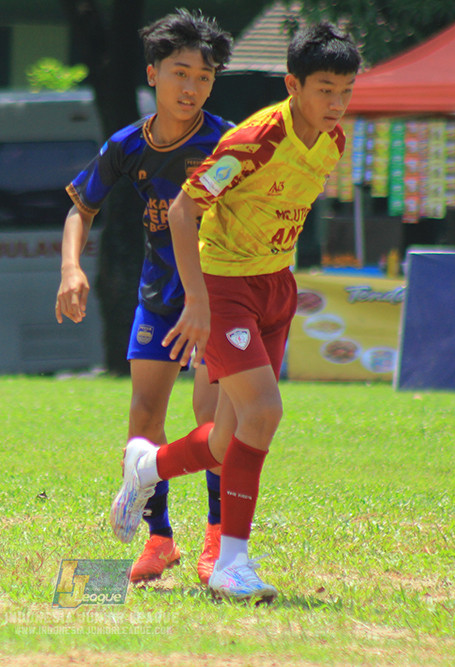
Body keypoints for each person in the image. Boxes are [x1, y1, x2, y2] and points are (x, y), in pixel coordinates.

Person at [109, 22, 361, 602]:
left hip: (276, 284)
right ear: (292, 85)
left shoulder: (334, 141)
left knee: (226, 439)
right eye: (325, 89)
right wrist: (197, 300)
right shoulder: (255, 140)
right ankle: (231, 564)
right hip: (226, 287)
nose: (336, 104)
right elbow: (180, 211)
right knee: (264, 414)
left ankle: (146, 468)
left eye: (346, 91)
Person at [56, 9, 233, 584]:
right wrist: (70, 269)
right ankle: (159, 540)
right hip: (159, 297)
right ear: (153, 73)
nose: (192, 87)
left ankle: (216, 541)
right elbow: (80, 209)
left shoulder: (228, 144)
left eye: (204, 77)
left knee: (211, 418)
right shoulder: (127, 144)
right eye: (181, 73)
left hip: (216, 300)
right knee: (144, 415)